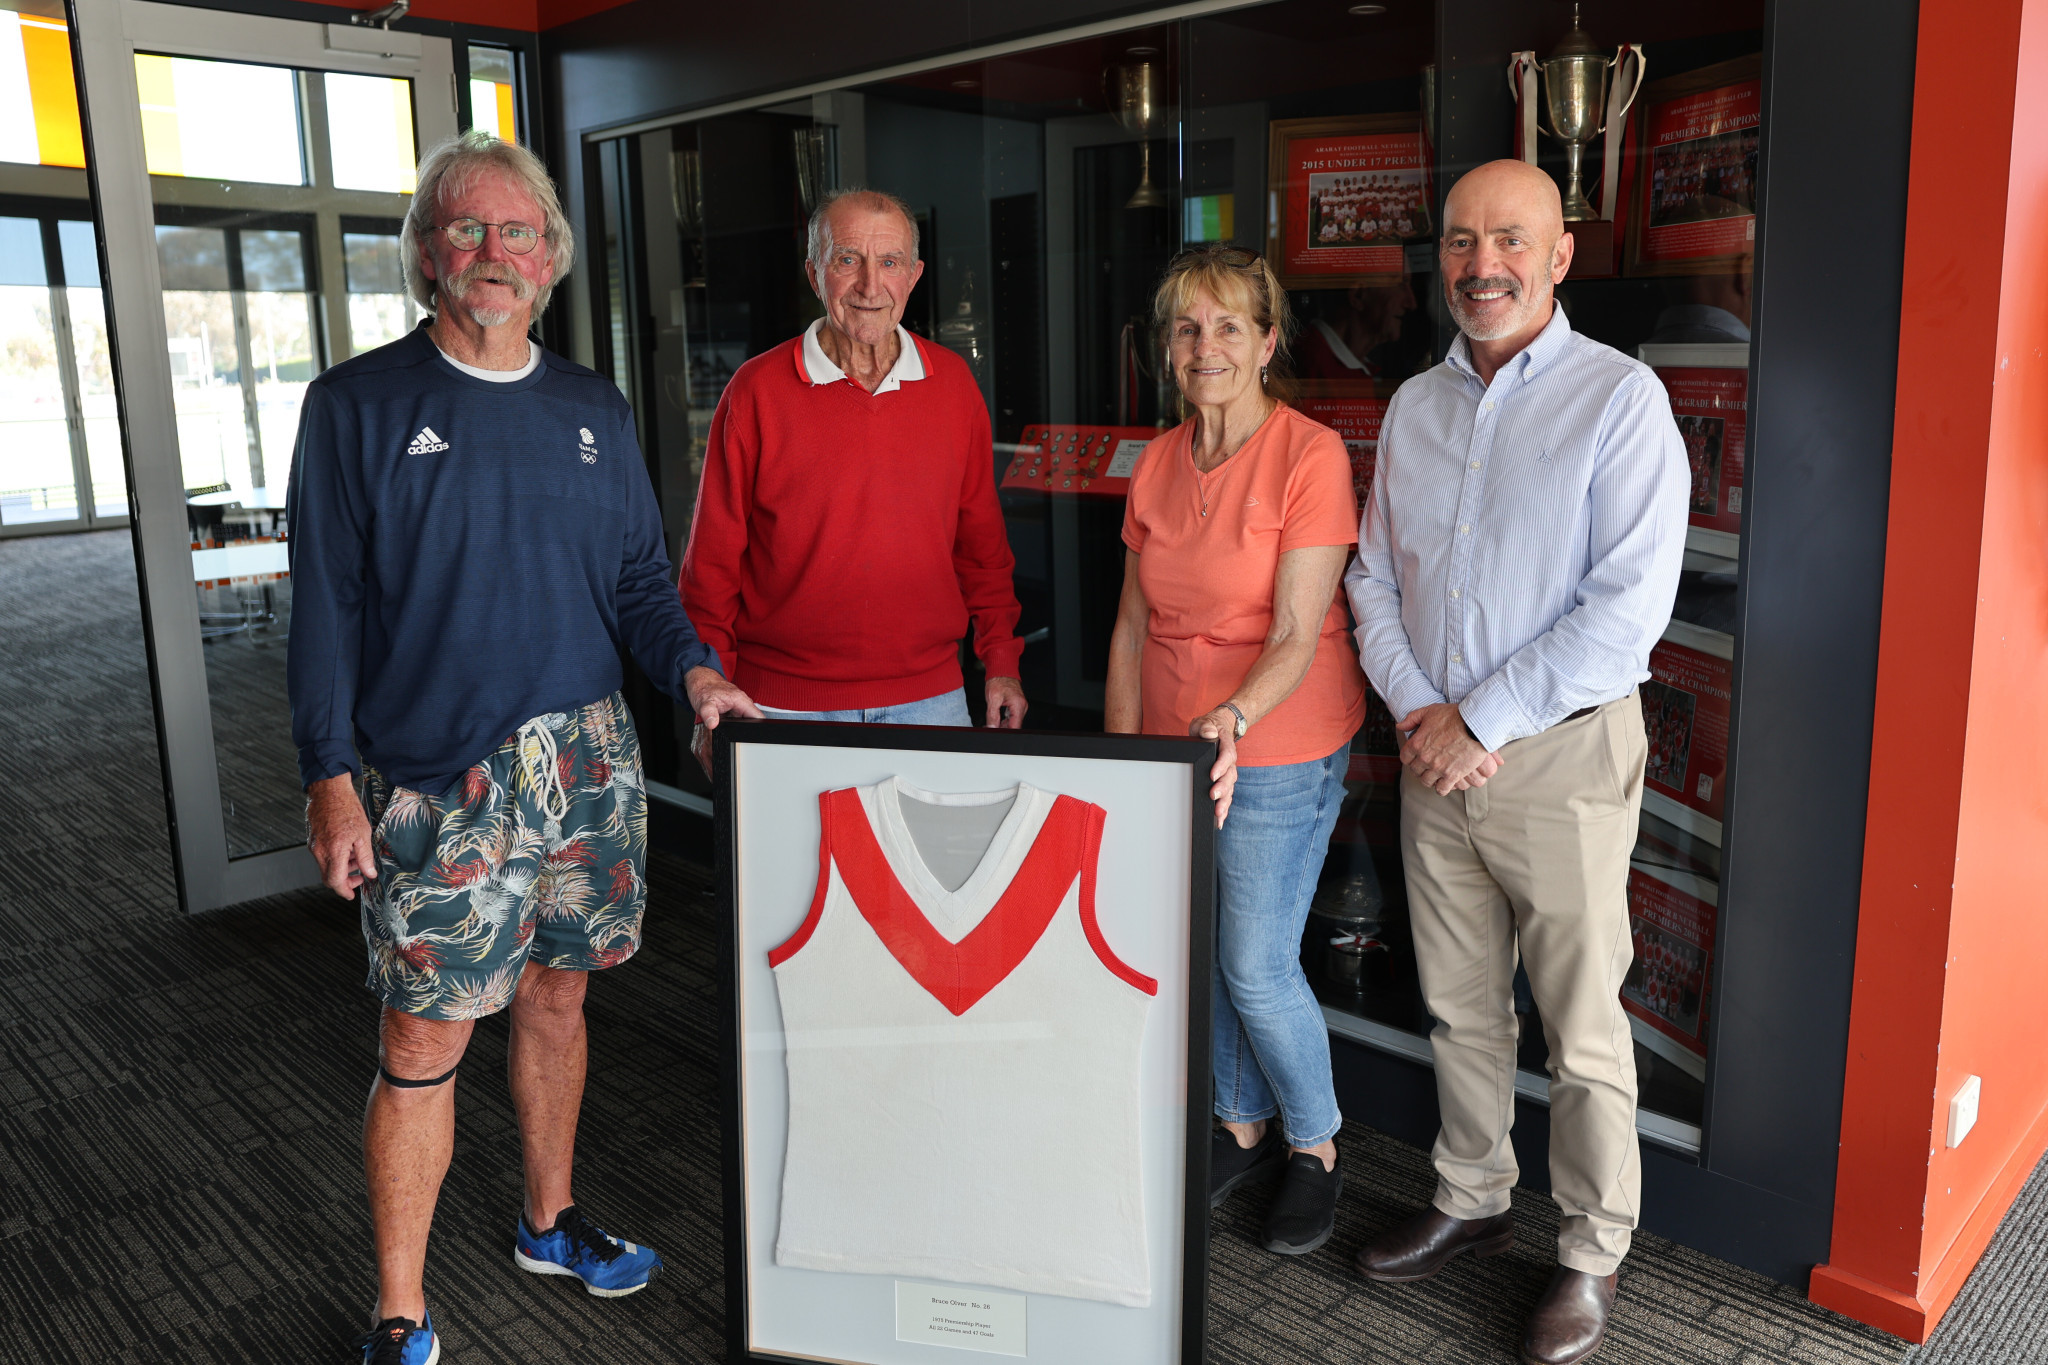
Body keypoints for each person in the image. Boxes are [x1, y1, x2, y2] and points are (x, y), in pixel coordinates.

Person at [288, 131, 760, 1365]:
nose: (491, 251)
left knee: (559, 997)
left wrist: (696, 672)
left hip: (588, 763)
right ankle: (400, 1310)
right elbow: (326, 608)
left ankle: (548, 1224)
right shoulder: (355, 406)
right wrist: (329, 777)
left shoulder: (591, 408)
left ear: (548, 258)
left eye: (515, 231)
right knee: (422, 1041)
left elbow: (639, 583)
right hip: (437, 777)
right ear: (426, 255)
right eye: (465, 229)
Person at [1344, 159, 1687, 1365]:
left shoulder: (1618, 399)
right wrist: (1418, 710)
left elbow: (1624, 614)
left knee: (1580, 1027)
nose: (1479, 264)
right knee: (1456, 1003)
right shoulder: (1413, 405)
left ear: (1557, 257)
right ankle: (1472, 1196)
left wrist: (1475, 722)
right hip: (1431, 752)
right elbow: (1371, 578)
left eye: (1507, 240)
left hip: (1556, 757)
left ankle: (1589, 1253)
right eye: (1458, 240)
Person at [1106, 244, 1368, 1257]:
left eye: (1226, 326)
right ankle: (1240, 1122)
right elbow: (1131, 628)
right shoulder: (1157, 461)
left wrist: (1232, 717)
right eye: (1185, 328)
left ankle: (1315, 1142)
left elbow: (1296, 631)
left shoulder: (1309, 455)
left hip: (1276, 743)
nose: (1203, 346)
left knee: (1254, 965)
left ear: (1266, 341)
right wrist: (1121, 758)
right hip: (1172, 745)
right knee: (1203, 946)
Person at [678, 187, 1026, 749]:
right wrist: (710, 697)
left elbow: (982, 548)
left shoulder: (953, 385)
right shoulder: (756, 391)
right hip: (780, 707)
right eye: (847, 260)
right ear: (814, 274)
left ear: (913, 276)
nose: (869, 285)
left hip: (931, 702)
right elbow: (710, 570)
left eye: (889, 262)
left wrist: (1002, 662)